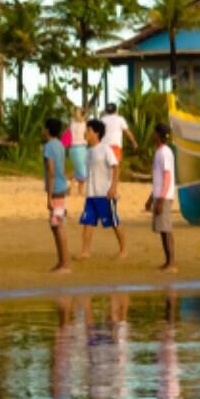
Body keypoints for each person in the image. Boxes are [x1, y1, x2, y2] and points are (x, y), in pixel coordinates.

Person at [77, 117, 126, 260]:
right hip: (91, 195)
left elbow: (116, 168)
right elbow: (89, 173)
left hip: (105, 194)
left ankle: (123, 250)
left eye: (88, 130)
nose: (85, 133)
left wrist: (113, 188)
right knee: (87, 223)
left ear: (96, 133)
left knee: (114, 222)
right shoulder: (88, 152)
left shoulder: (105, 149)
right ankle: (85, 252)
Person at [145, 122, 177, 272]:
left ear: (158, 135)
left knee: (166, 229)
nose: (152, 134)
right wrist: (151, 199)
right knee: (163, 230)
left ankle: (171, 263)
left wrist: (161, 199)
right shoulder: (161, 152)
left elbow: (167, 177)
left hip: (164, 197)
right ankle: (168, 261)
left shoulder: (164, 152)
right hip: (160, 195)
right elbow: (158, 179)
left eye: (154, 132)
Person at [42, 116, 72, 274]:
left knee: (58, 226)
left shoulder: (49, 146)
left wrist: (49, 196)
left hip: (56, 191)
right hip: (60, 188)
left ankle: (65, 264)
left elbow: (52, 172)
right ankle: (61, 262)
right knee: (55, 225)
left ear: (48, 130)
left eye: (43, 128)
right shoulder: (60, 145)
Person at [67, 107, 89, 196]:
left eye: (78, 112)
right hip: (75, 148)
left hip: (82, 148)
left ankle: (79, 190)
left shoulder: (84, 124)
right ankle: (68, 185)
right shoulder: (73, 123)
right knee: (82, 171)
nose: (76, 114)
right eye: (76, 112)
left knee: (80, 170)